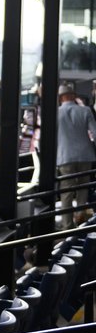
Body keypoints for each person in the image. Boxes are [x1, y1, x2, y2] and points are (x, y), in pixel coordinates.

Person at [55, 82, 96, 228]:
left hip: (65, 157)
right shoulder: (85, 111)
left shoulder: (55, 113)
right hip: (86, 155)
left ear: (61, 98)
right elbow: (95, 133)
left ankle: (67, 225)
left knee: (66, 191)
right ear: (73, 96)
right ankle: (80, 217)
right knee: (83, 187)